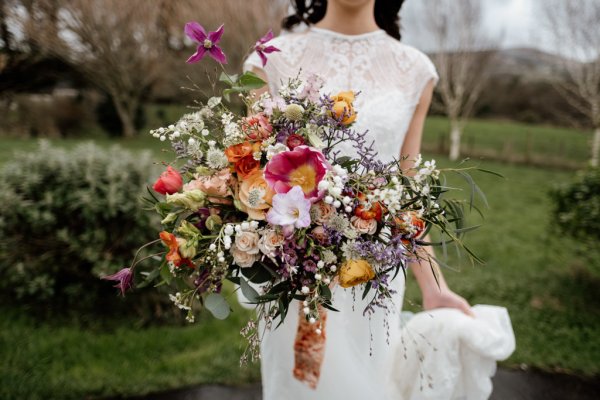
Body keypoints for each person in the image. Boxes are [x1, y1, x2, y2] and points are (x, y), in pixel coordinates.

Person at [241, 1, 515, 399]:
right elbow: (253, 175)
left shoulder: (415, 70)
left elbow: (408, 190)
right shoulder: (270, 61)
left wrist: (434, 286)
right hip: (295, 277)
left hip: (377, 277)